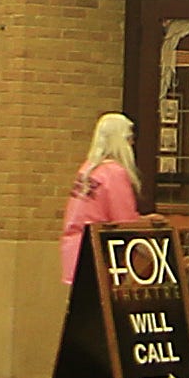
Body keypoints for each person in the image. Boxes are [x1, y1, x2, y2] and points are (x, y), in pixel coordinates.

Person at [58, 111, 146, 288]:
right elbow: (124, 221)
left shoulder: (87, 170)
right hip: (99, 256)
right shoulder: (114, 173)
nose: (132, 144)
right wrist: (147, 224)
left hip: (75, 252)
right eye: (129, 139)